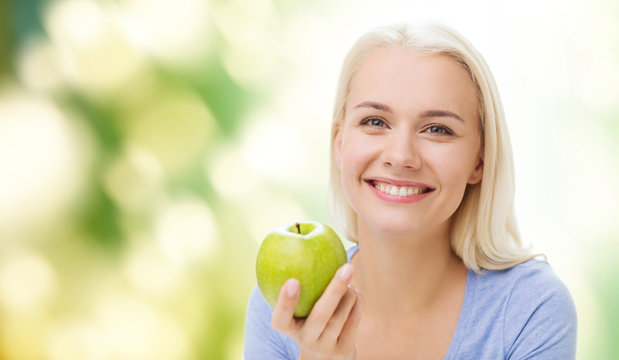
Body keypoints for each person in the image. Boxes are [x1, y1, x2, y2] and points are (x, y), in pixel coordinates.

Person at [244, 23, 577, 359]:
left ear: (479, 160)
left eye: (437, 129)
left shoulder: (529, 309)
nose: (401, 156)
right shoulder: (286, 303)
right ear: (340, 144)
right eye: (375, 122)